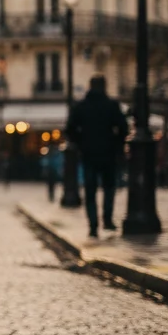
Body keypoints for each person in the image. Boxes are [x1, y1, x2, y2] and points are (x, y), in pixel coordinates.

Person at [66, 74, 129, 237]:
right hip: (108, 153)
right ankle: (107, 219)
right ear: (104, 86)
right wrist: (117, 144)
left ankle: (93, 225)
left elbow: (70, 129)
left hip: (88, 154)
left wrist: (80, 143)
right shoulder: (111, 105)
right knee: (109, 188)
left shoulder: (81, 106)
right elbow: (123, 128)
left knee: (90, 191)